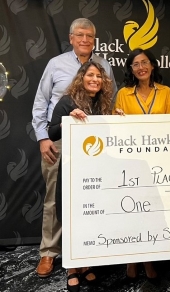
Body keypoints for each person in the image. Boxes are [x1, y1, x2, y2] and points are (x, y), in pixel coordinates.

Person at [32, 18, 117, 279]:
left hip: (94, 146)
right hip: (58, 140)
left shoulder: (104, 65)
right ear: (71, 38)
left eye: (89, 36)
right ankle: (49, 251)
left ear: (94, 40)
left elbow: (108, 99)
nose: (84, 39)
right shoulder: (55, 64)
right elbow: (40, 102)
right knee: (55, 198)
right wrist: (43, 137)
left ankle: (86, 250)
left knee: (90, 197)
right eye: (79, 35)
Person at [48, 61, 114, 291]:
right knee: (71, 217)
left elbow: (108, 134)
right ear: (81, 77)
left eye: (99, 76)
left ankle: (85, 264)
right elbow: (52, 130)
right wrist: (69, 120)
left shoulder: (103, 104)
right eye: (90, 75)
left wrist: (118, 118)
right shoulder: (67, 101)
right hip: (72, 168)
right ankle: (71, 268)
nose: (94, 79)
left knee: (89, 216)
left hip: (95, 169)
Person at [113, 48, 170, 281]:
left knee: (151, 211)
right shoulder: (123, 94)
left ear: (152, 65)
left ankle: (148, 258)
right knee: (131, 209)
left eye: (145, 62)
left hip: (158, 159)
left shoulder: (166, 92)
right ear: (131, 69)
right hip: (132, 161)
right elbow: (115, 131)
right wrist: (116, 118)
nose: (141, 67)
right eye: (136, 64)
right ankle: (131, 258)